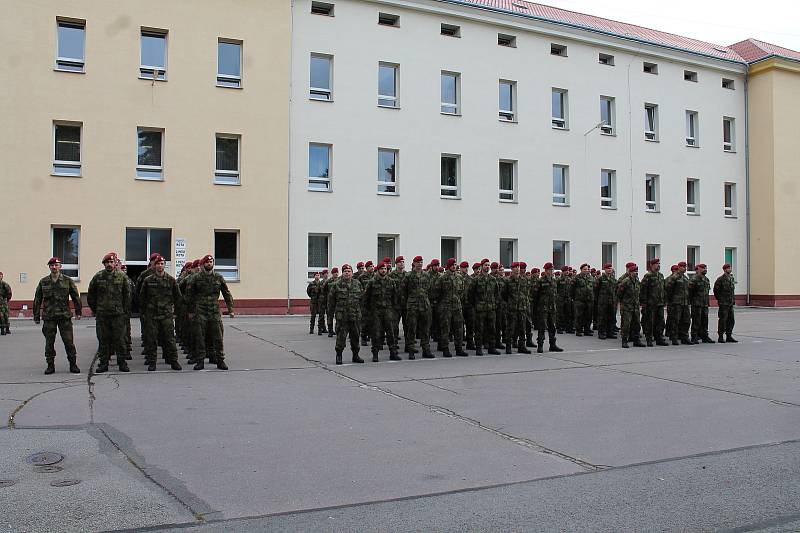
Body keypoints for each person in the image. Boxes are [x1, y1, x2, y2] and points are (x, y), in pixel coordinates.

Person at [33, 257, 82, 374]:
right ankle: (50, 365)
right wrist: (36, 315)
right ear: (49, 267)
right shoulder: (43, 281)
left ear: (60, 266)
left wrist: (78, 311)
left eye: (56, 265)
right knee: (49, 342)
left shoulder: (67, 280)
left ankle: (73, 364)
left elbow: (75, 297)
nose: (54, 267)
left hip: (64, 316)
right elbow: (37, 299)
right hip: (49, 317)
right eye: (51, 265)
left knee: (69, 341)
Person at [185, 254, 235, 370]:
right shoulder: (196, 278)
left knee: (218, 336)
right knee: (200, 336)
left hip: (214, 310)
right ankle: (200, 361)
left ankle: (220, 360)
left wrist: (230, 309)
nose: (209, 264)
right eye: (207, 262)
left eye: (211, 262)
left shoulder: (218, 277)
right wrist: (191, 311)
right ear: (203, 265)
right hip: (200, 310)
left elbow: (226, 293)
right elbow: (189, 295)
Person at [88, 252, 131, 373]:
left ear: (115, 263)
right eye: (107, 262)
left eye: (111, 262)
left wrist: (125, 312)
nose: (109, 264)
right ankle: (103, 364)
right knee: (103, 340)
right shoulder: (98, 277)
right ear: (104, 264)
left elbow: (127, 296)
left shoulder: (122, 277)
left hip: (118, 315)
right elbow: (91, 294)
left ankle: (122, 363)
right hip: (102, 315)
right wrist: (96, 310)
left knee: (120, 340)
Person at [139, 254, 183, 371]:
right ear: (154, 265)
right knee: (151, 339)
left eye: (162, 264)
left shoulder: (171, 280)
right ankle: (152, 362)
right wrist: (143, 313)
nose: (159, 266)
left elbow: (178, 297)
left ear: (164, 265)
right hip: (152, 315)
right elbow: (142, 298)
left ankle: (174, 361)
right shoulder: (148, 280)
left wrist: (176, 312)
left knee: (169, 339)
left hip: (166, 315)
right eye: (158, 264)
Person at [363, 262, 400, 361]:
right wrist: (367, 312)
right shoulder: (372, 282)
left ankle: (393, 352)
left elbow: (394, 297)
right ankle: (375, 354)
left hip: (388, 310)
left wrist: (395, 310)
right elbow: (366, 298)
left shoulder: (391, 281)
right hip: (376, 311)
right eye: (382, 269)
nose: (384, 270)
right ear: (378, 270)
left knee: (391, 332)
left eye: (385, 269)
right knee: (376, 333)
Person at [329, 264, 365, 365]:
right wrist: (331, 316)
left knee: (356, 337)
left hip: (355, 317)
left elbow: (362, 299)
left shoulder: (357, 284)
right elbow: (331, 302)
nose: (347, 273)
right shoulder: (336, 285)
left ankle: (355, 355)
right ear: (342, 273)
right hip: (342, 317)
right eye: (345, 271)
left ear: (352, 273)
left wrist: (361, 313)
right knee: (341, 338)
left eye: (349, 271)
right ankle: (339, 355)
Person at [400, 256, 434, 359]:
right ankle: (411, 351)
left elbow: (430, 290)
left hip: (424, 305)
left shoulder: (426, 275)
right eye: (418, 262)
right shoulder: (408, 276)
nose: (420, 264)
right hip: (413, 306)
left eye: (421, 262)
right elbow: (402, 291)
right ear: (414, 263)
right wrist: (407, 303)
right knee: (412, 329)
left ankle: (426, 350)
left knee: (425, 329)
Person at [433, 258, 468, 357]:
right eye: (452, 264)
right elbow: (436, 293)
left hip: (457, 307)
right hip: (445, 307)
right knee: (445, 329)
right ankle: (445, 349)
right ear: (448, 266)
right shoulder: (442, 278)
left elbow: (461, 291)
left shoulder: (459, 277)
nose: (454, 266)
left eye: (455, 264)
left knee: (459, 329)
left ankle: (459, 349)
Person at [469, 260, 500, 356]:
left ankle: (492, 347)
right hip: (480, 309)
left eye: (488, 265)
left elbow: (497, 293)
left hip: (491, 308)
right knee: (479, 329)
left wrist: (494, 304)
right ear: (482, 266)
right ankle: (479, 348)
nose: (487, 267)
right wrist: (476, 305)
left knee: (492, 329)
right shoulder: (476, 280)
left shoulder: (493, 279)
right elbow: (470, 294)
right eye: (485, 265)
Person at [531, 263, 563, 353]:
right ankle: (540, 345)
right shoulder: (540, 281)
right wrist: (537, 307)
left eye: (552, 270)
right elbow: (535, 295)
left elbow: (555, 294)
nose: (551, 271)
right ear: (545, 270)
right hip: (543, 307)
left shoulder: (554, 280)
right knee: (542, 327)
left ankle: (552, 345)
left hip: (552, 307)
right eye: (549, 270)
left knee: (552, 327)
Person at [640, 259, 668, 347]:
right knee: (650, 321)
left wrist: (664, 300)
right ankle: (649, 338)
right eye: (656, 264)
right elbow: (643, 290)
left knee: (660, 321)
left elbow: (663, 289)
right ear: (651, 265)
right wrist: (644, 302)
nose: (658, 265)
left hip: (660, 303)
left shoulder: (661, 276)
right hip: (650, 303)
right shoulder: (648, 276)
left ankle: (659, 338)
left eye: (659, 263)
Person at [617, 263, 646, 349]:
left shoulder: (637, 280)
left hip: (635, 306)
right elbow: (619, 293)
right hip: (627, 306)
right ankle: (624, 341)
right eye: (634, 271)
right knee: (626, 324)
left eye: (637, 271)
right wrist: (624, 302)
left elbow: (639, 293)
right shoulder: (625, 281)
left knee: (636, 323)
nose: (636, 273)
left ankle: (636, 340)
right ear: (630, 272)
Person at [665, 261, 691, 345]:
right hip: (676, 303)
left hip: (684, 302)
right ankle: (674, 338)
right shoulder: (674, 277)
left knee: (686, 320)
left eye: (685, 266)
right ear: (679, 267)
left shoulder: (685, 277)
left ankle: (684, 337)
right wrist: (671, 300)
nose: (685, 268)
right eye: (683, 267)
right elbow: (668, 288)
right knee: (675, 321)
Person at [688, 264, 715, 344]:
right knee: (696, 321)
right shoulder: (694, 279)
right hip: (696, 304)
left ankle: (704, 336)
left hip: (704, 304)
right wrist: (692, 300)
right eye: (703, 268)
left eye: (705, 268)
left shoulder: (706, 279)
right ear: (698, 269)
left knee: (705, 321)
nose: (705, 269)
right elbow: (690, 291)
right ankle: (694, 336)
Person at [713, 263, 738, 343]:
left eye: (730, 268)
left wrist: (733, 300)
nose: (730, 269)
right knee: (723, 320)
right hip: (723, 303)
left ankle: (729, 335)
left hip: (730, 303)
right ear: (724, 269)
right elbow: (716, 290)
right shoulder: (720, 279)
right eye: (728, 268)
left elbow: (732, 291)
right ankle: (720, 336)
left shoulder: (731, 278)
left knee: (731, 320)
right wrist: (720, 299)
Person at [571, 264, 595, 336]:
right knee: (579, 316)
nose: (586, 270)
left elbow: (593, 288)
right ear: (581, 270)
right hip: (579, 300)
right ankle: (579, 330)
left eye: (587, 269)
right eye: (584, 269)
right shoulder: (577, 278)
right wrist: (573, 298)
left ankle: (587, 330)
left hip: (589, 300)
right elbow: (572, 288)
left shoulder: (590, 277)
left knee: (588, 316)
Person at [595, 263, 617, 340]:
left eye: (610, 268)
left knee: (611, 318)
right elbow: (596, 290)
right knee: (602, 318)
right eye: (608, 268)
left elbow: (615, 290)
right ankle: (602, 333)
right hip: (603, 302)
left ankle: (609, 332)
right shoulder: (601, 279)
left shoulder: (613, 279)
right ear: (604, 269)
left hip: (611, 302)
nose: (609, 270)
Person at [324, 267, 339, 337]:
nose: (336, 273)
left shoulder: (340, 280)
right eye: (334, 272)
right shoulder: (328, 281)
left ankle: (337, 330)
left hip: (338, 301)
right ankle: (330, 331)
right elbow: (324, 290)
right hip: (330, 302)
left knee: (338, 316)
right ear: (332, 273)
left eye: (337, 272)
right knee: (330, 316)